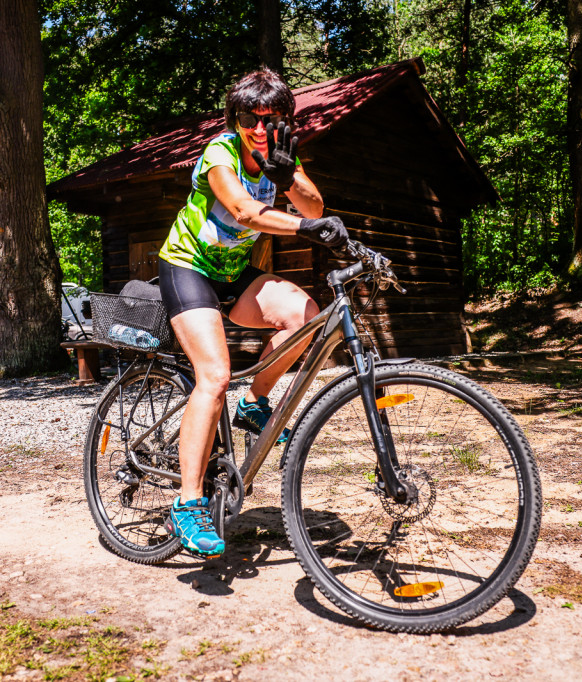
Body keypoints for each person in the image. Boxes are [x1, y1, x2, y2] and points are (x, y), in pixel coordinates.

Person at [158, 68, 347, 559]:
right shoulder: (220, 151)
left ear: (286, 119)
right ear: (234, 118)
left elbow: (314, 202)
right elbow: (242, 210)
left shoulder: (281, 155)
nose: (261, 127)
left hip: (235, 271)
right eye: (250, 117)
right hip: (188, 267)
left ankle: (255, 405)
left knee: (307, 316)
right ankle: (188, 501)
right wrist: (305, 229)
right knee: (215, 376)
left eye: (273, 117)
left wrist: (286, 177)